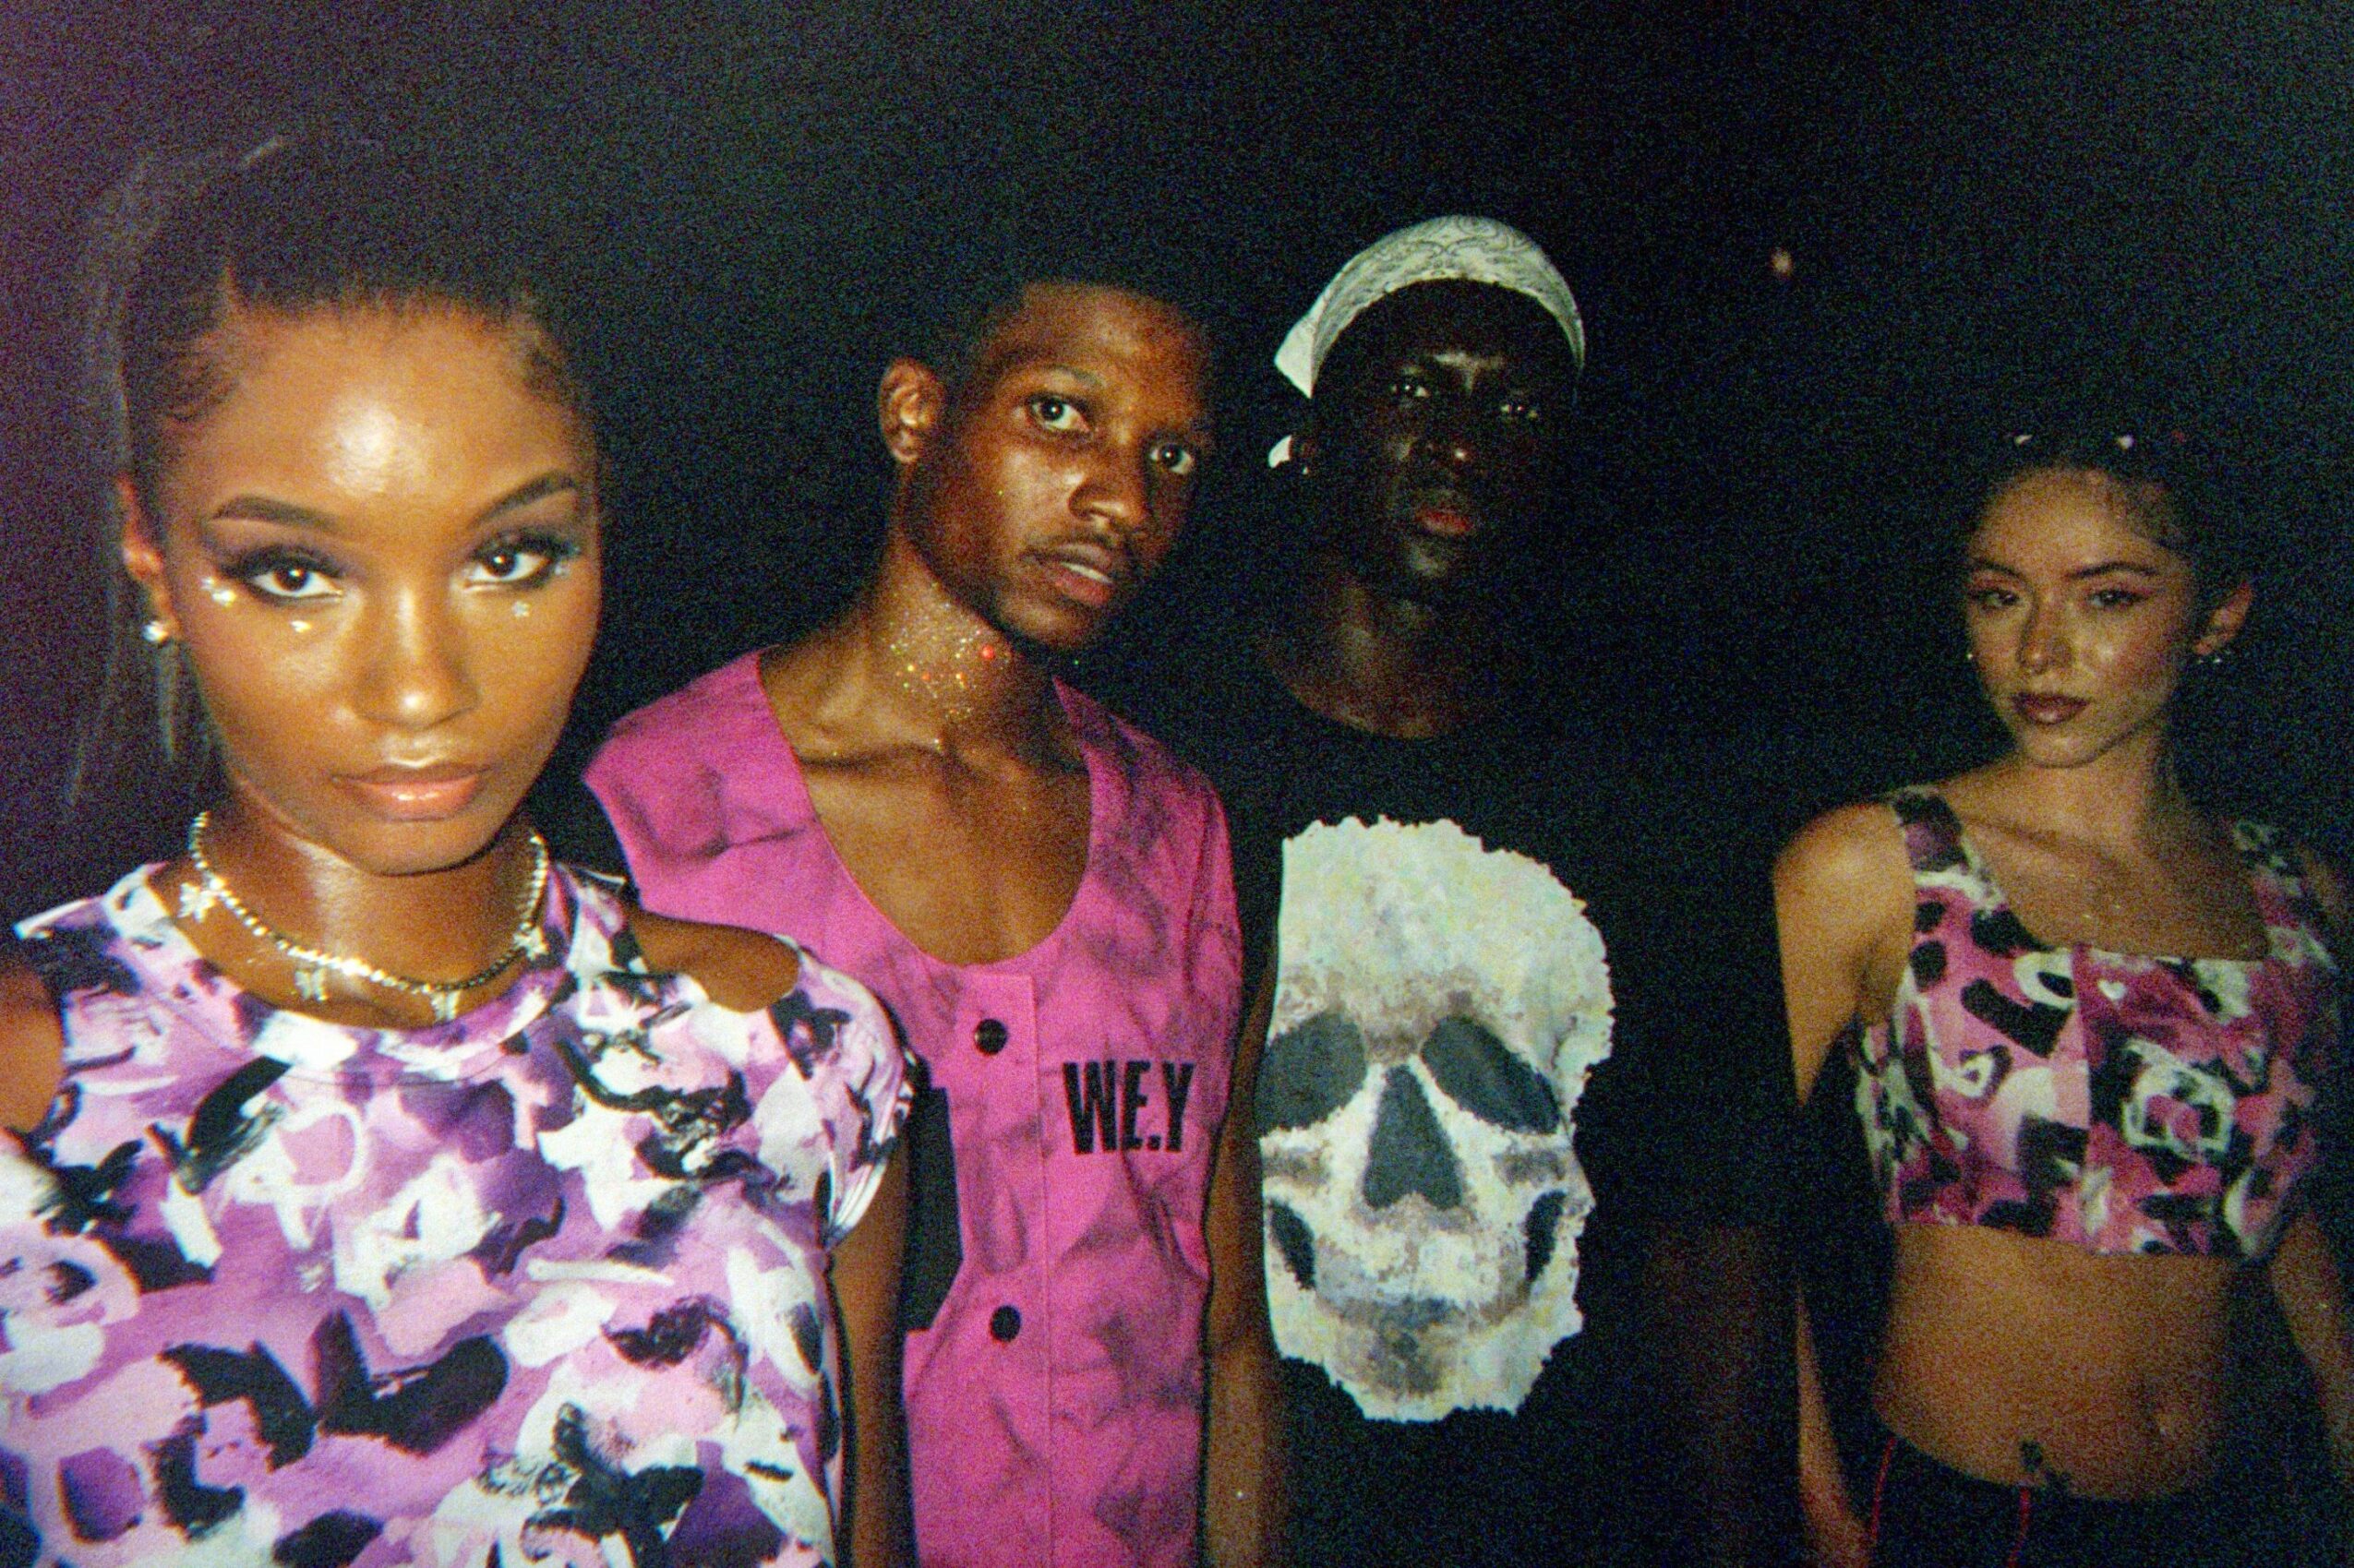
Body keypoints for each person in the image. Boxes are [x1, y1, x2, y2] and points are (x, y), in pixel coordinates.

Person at [0, 138, 912, 1568]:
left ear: (601, 521)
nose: (421, 687)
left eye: (510, 556)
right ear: (148, 550)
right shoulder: (30, 1098)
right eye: (296, 572)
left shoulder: (787, 1058)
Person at [1104, 215, 1793, 1567]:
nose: (1463, 441)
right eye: (1416, 389)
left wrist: (1735, 1528)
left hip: (1559, 1523)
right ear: (1312, 434)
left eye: (1515, 408)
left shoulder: (1651, 796)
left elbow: (1712, 1234)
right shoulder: (1154, 759)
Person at [579, 264, 1270, 1566]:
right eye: (1060, 414)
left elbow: (1226, 1332)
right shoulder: (651, 821)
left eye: (1169, 454)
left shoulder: (1183, 833)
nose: (1124, 500)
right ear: (914, 414)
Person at [1775, 425, 2354, 1565]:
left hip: (2244, 1511)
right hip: (1972, 1513)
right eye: (2001, 597)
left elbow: (2267, 1200)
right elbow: (1723, 1207)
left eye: (2107, 598)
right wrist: (1820, 1502)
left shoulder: (2300, 892)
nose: (2041, 649)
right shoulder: (1874, 867)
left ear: (2218, 615)